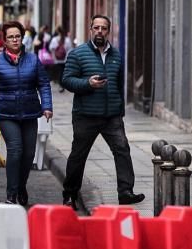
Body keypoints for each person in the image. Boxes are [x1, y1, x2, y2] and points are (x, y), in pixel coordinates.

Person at [61, 14, 144, 208]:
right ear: (91, 29)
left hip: (111, 116)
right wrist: (87, 84)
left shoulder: (116, 55)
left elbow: (118, 85)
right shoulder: (77, 53)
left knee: (122, 150)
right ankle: (69, 195)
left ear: (108, 31)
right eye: (96, 27)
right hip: (85, 115)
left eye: (104, 28)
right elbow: (66, 80)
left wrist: (119, 110)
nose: (100, 31)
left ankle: (125, 192)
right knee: (78, 155)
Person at [0, 21, 53, 206]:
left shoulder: (33, 60)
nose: (15, 40)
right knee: (15, 149)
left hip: (29, 113)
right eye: (11, 37)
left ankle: (21, 186)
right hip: (6, 114)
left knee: (29, 154)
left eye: (17, 36)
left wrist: (47, 105)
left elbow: (43, 84)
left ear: (22, 38)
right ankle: (11, 193)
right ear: (4, 40)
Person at [48, 27, 73, 93]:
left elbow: (51, 48)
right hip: (65, 59)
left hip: (57, 59)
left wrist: (54, 57)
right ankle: (62, 85)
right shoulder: (67, 39)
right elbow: (70, 49)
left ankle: (60, 85)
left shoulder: (54, 39)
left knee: (59, 72)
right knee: (63, 72)